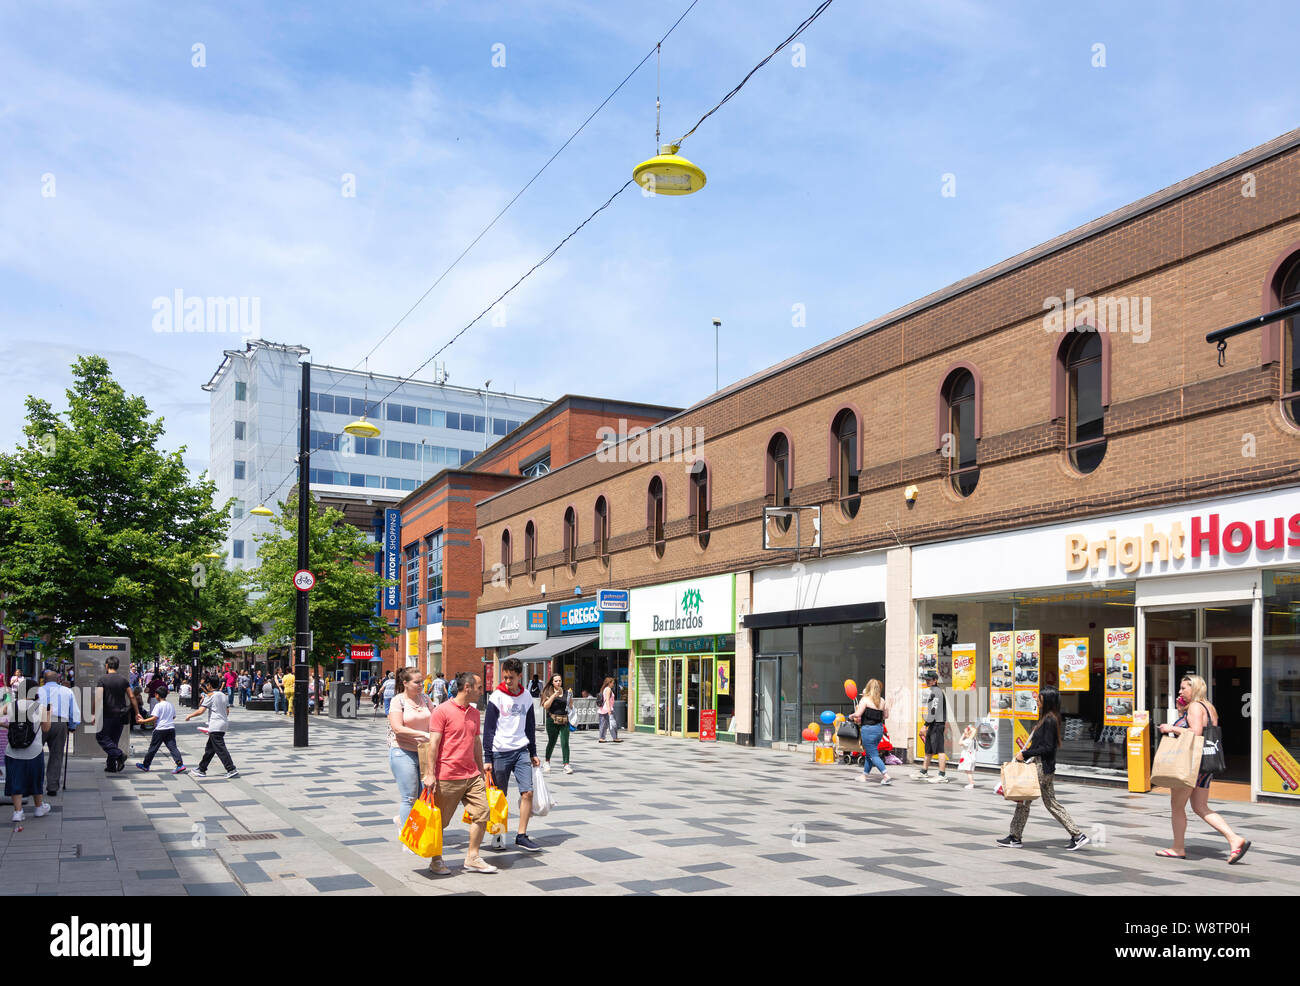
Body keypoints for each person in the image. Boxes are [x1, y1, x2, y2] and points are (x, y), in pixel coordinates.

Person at [1156, 674, 1251, 863]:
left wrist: (1170, 728)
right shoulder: (1209, 707)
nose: (1180, 691)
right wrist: (1181, 711)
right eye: (1180, 688)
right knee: (1200, 806)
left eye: (1184, 688)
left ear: (1195, 688)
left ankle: (1177, 848)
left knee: (1177, 805)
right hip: (1206, 764)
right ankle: (1234, 839)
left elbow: (1196, 732)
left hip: (1191, 764)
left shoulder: (1195, 707)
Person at [422, 672, 496, 875]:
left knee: (482, 813)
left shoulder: (474, 712)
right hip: (447, 775)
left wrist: (481, 769)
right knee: (441, 822)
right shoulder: (442, 711)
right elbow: (433, 745)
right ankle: (436, 860)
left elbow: (476, 742)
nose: (482, 691)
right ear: (468, 688)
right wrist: (430, 774)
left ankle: (472, 857)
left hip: (472, 775)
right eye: (479, 687)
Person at [997, 688, 1088, 850]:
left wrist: (1024, 754)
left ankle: (1015, 837)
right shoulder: (1047, 719)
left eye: (1039, 700)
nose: (1037, 702)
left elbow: (1047, 747)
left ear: (1047, 702)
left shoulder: (1049, 721)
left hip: (1041, 768)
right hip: (1044, 768)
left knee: (1024, 801)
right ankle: (1077, 835)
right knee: (1051, 803)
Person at [482, 657, 542, 852]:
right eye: (505, 677)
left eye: (511, 677)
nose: (507, 681)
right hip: (500, 752)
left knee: (528, 792)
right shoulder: (496, 697)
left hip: (521, 751)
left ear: (519, 676)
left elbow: (530, 726)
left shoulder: (526, 698)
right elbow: (489, 729)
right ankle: (498, 834)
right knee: (500, 797)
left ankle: (521, 835)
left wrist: (533, 751)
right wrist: (487, 757)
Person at [388, 667, 434, 839]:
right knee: (409, 795)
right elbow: (397, 728)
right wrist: (422, 734)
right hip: (402, 751)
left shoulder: (425, 699)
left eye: (421, 681)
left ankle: (405, 821)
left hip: (424, 751)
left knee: (425, 794)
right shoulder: (398, 701)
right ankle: (410, 837)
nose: (421, 685)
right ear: (405, 683)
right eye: (417, 682)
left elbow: (435, 719)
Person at [6, 677, 52, 821]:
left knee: (15, 779)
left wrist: (10, 726)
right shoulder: (40, 707)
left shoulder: (11, 705)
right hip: (34, 750)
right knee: (35, 779)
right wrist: (49, 714)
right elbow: (46, 729)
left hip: (13, 751)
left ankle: (18, 812)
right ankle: (39, 808)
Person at [184, 675, 239, 778]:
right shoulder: (223, 695)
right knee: (210, 749)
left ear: (209, 685)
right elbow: (227, 711)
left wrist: (190, 716)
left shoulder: (211, 696)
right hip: (223, 724)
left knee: (220, 749)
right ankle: (201, 769)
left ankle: (231, 768)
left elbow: (201, 711)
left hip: (215, 725)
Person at [38, 671, 81, 797]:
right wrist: (72, 726)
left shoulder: (37, 691)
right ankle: (52, 786)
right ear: (58, 679)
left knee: (34, 754)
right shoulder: (67, 691)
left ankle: (34, 784)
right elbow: (74, 711)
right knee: (56, 755)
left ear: (44, 680)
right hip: (59, 723)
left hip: (40, 722)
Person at [93, 655, 139, 773]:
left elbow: (98, 698)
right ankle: (111, 766)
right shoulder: (123, 680)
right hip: (121, 715)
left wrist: (93, 713)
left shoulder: (103, 679)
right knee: (113, 741)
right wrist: (137, 712)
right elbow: (132, 696)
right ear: (117, 666)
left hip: (107, 715)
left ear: (107, 666)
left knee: (101, 737)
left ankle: (119, 755)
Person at [135, 686, 187, 774]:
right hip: (170, 728)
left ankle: (145, 765)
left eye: (155, 694)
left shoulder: (158, 705)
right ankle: (180, 764)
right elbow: (173, 716)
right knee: (173, 747)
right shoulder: (170, 704)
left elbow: (154, 717)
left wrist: (143, 721)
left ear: (157, 695)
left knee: (153, 748)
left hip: (160, 729)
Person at [849, 678, 891, 785]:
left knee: (873, 754)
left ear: (868, 687)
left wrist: (851, 715)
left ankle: (885, 775)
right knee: (869, 753)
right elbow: (886, 716)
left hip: (868, 730)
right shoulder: (882, 701)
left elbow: (858, 714)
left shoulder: (865, 699)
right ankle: (864, 776)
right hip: (879, 729)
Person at [913, 671, 949, 783]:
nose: (927, 681)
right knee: (928, 748)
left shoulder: (937, 692)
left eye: (929, 680)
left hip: (937, 724)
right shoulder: (933, 691)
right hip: (933, 724)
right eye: (926, 679)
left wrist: (925, 725)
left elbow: (934, 710)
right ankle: (924, 771)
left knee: (940, 749)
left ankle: (942, 775)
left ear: (935, 680)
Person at [541, 673, 574, 774]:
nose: (558, 682)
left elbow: (570, 706)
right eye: (556, 681)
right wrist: (553, 696)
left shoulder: (565, 692)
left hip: (564, 720)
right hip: (552, 720)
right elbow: (545, 706)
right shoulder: (548, 692)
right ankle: (547, 761)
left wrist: (570, 697)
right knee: (552, 741)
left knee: (565, 742)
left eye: (560, 680)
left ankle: (566, 764)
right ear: (552, 682)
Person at [597, 676, 621, 743]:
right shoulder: (608, 689)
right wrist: (609, 710)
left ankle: (602, 738)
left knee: (603, 725)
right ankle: (615, 738)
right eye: (612, 683)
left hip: (603, 709)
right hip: (607, 709)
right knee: (613, 724)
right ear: (609, 683)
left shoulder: (605, 689)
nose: (613, 684)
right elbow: (607, 699)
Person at [957, 724, 978, 789]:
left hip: (968, 758)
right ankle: (972, 781)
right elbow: (977, 749)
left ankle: (971, 783)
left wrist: (963, 736)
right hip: (972, 758)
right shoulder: (975, 741)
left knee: (968, 772)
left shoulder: (968, 740)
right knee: (969, 771)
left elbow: (959, 743)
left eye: (966, 732)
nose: (965, 733)